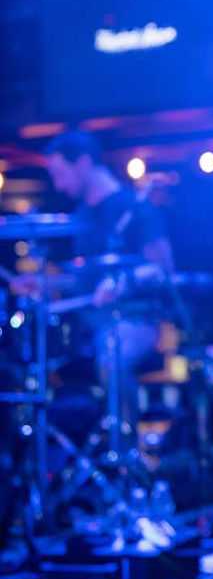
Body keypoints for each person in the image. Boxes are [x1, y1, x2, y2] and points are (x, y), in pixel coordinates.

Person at [11, 130, 174, 425]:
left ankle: (126, 442)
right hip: (90, 325)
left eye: (61, 174)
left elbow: (162, 268)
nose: (58, 185)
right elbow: (84, 282)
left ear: (84, 162)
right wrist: (43, 284)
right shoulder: (83, 216)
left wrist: (122, 281)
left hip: (135, 320)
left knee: (112, 356)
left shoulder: (132, 207)